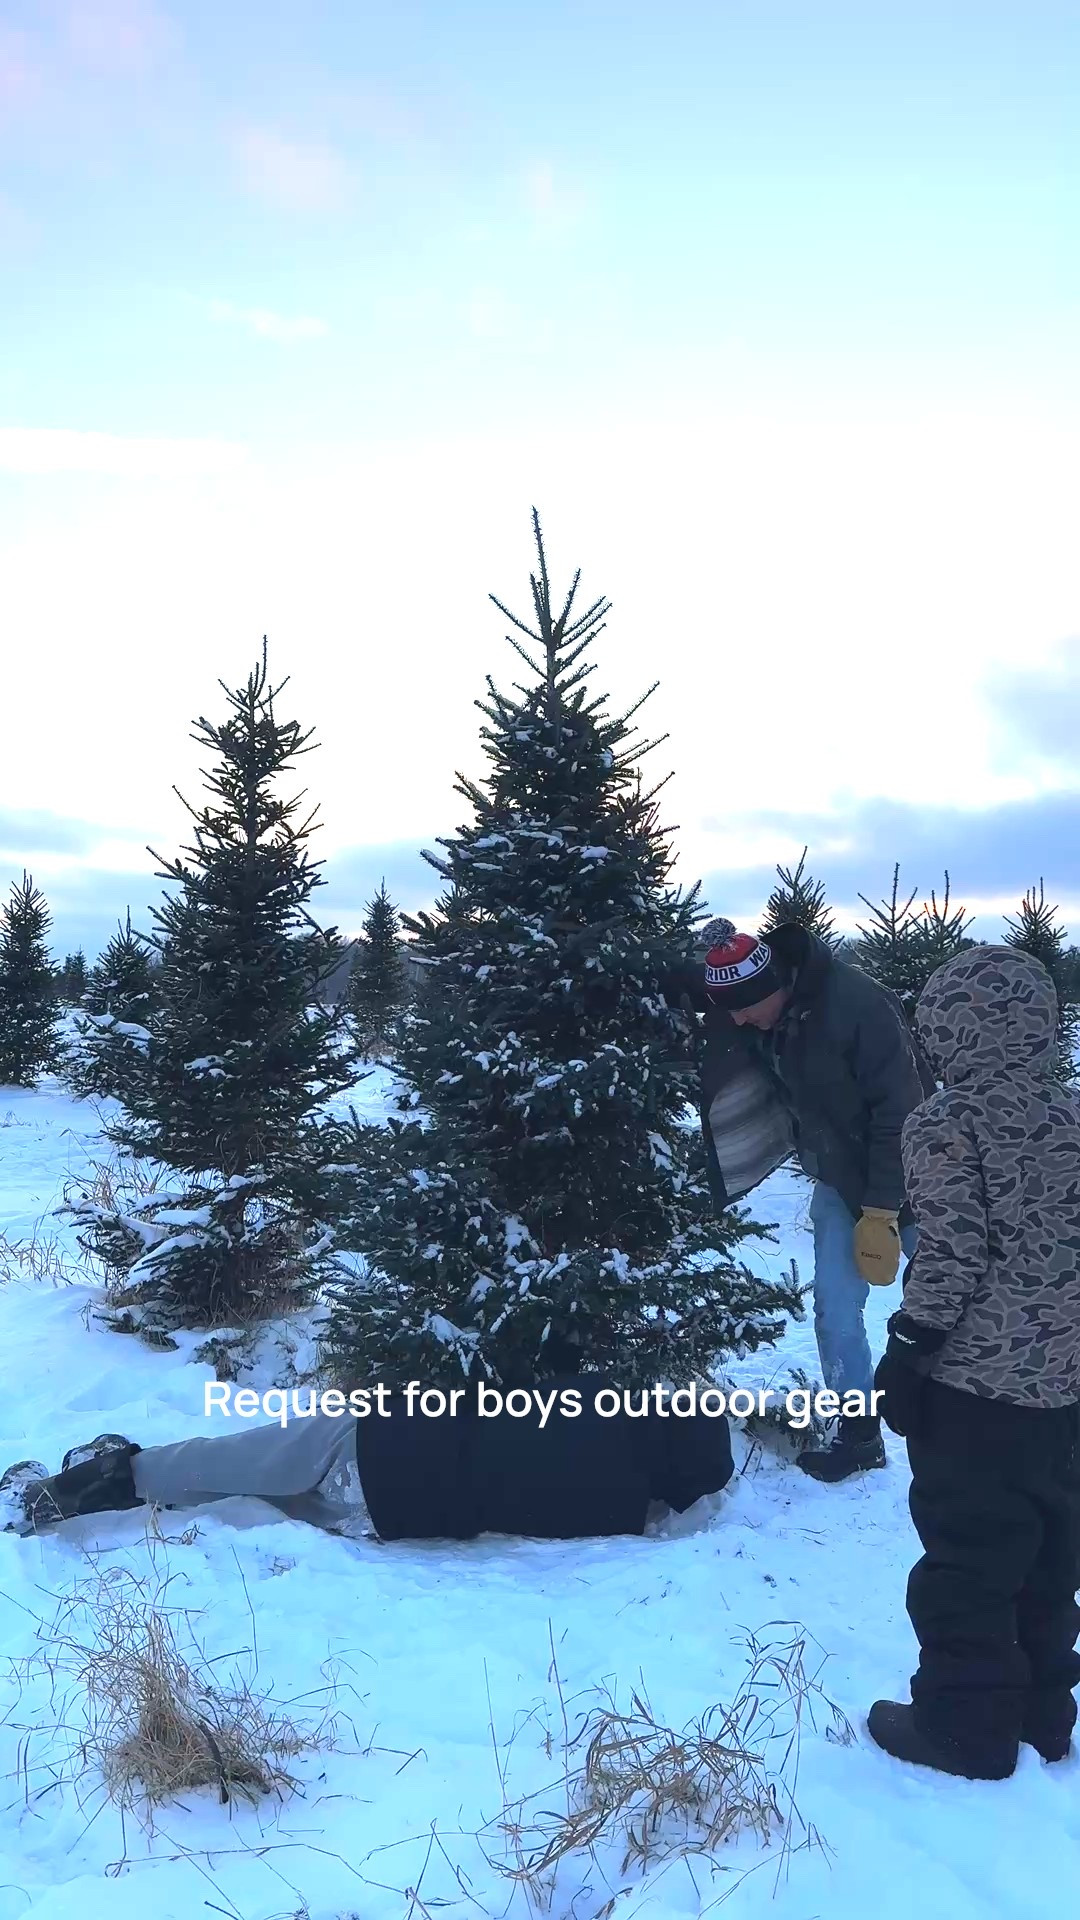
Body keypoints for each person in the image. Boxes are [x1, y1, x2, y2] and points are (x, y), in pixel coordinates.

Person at [867, 945, 1080, 1780]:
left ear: (947, 1029)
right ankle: (1043, 1712)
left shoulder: (946, 1122)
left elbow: (952, 1256)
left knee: (968, 1555)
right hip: (1065, 1388)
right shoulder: (1071, 1115)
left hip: (976, 1387)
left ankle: (965, 1725)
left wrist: (909, 1353)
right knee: (1051, 1547)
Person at [661, 917, 932, 1482]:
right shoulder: (759, 1000)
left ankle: (981, 1423)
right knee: (835, 1312)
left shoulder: (858, 1007)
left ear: (774, 990)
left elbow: (902, 1114)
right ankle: (859, 1436)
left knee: (953, 1305)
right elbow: (702, 989)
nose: (736, 1021)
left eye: (743, 1010)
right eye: (728, 1009)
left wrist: (884, 1209)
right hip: (838, 1176)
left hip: (923, 1180)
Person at [1, 1374, 734, 1543]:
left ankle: (67, 1490)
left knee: (221, 1460)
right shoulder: (620, 1513)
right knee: (265, 1498)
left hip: (375, 1438)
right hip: (390, 1513)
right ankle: (127, 1488)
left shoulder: (602, 1404)